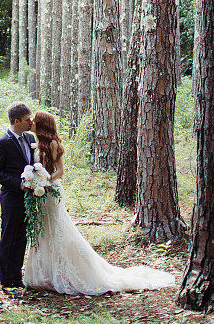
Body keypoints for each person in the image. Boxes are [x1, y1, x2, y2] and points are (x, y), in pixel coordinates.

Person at [23, 110, 176, 295]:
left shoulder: (53, 143)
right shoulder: (35, 143)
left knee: (58, 229)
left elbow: (60, 171)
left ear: (42, 124)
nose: (30, 122)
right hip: (39, 192)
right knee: (43, 229)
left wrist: (46, 182)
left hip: (50, 191)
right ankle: (45, 272)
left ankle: (69, 272)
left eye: (34, 120)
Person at [0, 102, 36, 292]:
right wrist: (18, 184)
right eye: (27, 120)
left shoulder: (30, 138)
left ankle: (17, 277)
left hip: (28, 198)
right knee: (8, 236)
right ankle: (6, 280)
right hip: (11, 197)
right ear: (16, 121)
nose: (30, 122)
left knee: (22, 237)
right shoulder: (2, 143)